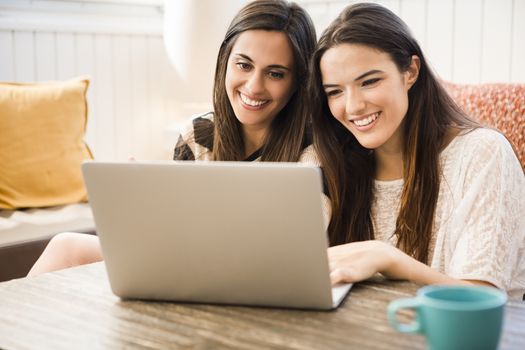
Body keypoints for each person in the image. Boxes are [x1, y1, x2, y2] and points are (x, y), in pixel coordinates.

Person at [28, 0, 318, 276]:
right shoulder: (198, 134)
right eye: (244, 65)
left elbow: (292, 252)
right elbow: (175, 238)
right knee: (65, 245)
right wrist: (142, 207)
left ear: (298, 81)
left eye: (275, 73)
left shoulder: (313, 151)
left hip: (258, 273)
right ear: (225, 62)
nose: (254, 86)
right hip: (189, 265)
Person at [308, 3, 525, 299]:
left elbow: (483, 300)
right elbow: (283, 263)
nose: (353, 106)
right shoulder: (322, 160)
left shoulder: (482, 154)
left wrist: (388, 259)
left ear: (410, 71)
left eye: (369, 82)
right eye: (335, 92)